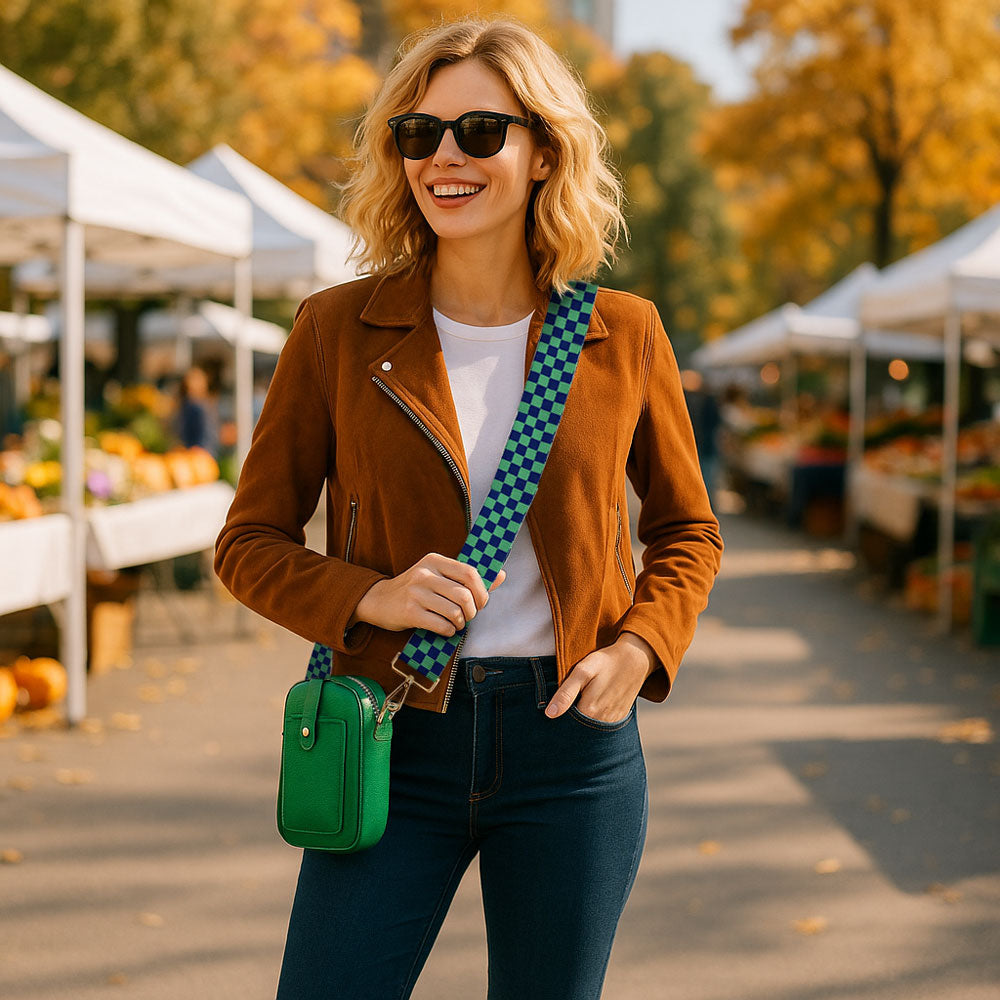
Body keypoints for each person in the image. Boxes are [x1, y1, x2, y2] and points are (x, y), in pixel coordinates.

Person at [214, 16, 723, 1000]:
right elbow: (248, 544)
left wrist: (640, 649)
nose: (443, 156)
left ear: (542, 152)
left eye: (479, 131)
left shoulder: (625, 335)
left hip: (571, 747)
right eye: (418, 133)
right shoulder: (336, 330)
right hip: (392, 733)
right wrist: (371, 599)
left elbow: (686, 531)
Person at [681, 367, 721, 506]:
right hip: (701, 446)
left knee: (705, 480)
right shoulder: (704, 399)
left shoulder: (689, 399)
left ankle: (703, 509)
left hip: (702, 446)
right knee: (704, 480)